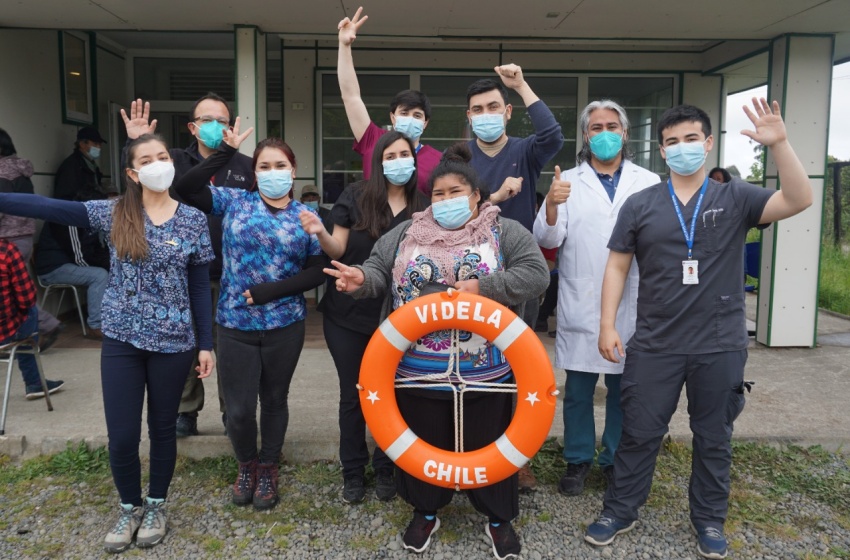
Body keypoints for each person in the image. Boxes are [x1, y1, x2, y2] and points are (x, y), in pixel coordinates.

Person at [585, 99, 812, 560]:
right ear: (661, 151)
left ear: (707, 144)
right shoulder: (641, 204)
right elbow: (616, 267)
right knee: (640, 431)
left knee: (714, 436)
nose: (682, 148)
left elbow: (798, 199)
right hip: (655, 342)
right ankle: (620, 509)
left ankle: (709, 519)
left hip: (719, 342)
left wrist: (781, 144)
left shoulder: (736, 197)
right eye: (672, 142)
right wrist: (607, 324)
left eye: (691, 139)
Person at [325, 143, 549, 559]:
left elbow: (537, 274)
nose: (445, 200)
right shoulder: (407, 232)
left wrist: (484, 289)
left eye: (456, 191)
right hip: (416, 370)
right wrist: (360, 278)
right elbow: (376, 269)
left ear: (477, 195)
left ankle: (498, 518)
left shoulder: (503, 232)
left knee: (489, 441)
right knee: (423, 439)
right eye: (438, 193)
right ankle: (425, 511)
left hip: (486, 371)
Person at [0, 133, 215, 553]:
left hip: (174, 342)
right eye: (147, 159)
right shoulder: (114, 212)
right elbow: (46, 207)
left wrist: (205, 344)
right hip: (122, 340)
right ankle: (128, 506)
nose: (159, 164)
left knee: (163, 430)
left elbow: (199, 286)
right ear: (133, 173)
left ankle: (156, 505)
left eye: (163, 156)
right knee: (121, 435)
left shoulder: (192, 219)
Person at [174, 123, 325, 512]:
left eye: (280, 165)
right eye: (263, 166)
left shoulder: (306, 216)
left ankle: (269, 468)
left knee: (274, 400)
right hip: (234, 324)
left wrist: (269, 291)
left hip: (284, 324)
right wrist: (224, 152)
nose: (272, 172)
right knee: (239, 409)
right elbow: (185, 189)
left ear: (293, 171)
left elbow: (315, 270)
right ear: (254, 172)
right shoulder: (236, 202)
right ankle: (246, 465)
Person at [533, 100, 660, 497]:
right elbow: (547, 239)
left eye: (611, 126)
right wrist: (552, 204)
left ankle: (614, 460)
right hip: (583, 298)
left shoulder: (649, 182)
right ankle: (578, 459)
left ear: (625, 132)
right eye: (595, 127)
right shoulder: (567, 181)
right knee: (578, 390)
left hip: (636, 299)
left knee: (626, 389)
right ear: (586, 136)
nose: (604, 133)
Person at [300, 130, 427, 504]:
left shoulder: (425, 204)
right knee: (354, 394)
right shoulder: (356, 196)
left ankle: (386, 464)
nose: (399, 161)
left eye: (406, 153)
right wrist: (321, 232)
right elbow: (337, 247)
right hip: (348, 315)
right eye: (391, 155)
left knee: (393, 393)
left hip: (401, 318)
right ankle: (353, 471)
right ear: (379, 161)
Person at [122, 94, 254, 438]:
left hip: (232, 274)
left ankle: (232, 412)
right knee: (182, 343)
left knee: (228, 348)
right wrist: (137, 142)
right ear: (193, 127)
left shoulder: (246, 166)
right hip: (179, 272)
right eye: (208, 120)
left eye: (223, 120)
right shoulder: (174, 160)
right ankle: (185, 411)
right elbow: (141, 181)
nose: (217, 127)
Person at [465, 65, 563, 490]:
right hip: (469, 278)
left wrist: (521, 85)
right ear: (467, 117)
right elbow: (446, 207)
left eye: (492, 107)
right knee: (471, 364)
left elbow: (554, 137)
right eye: (476, 110)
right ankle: (471, 447)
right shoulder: (459, 157)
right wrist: (494, 197)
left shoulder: (525, 150)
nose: (484, 115)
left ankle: (517, 457)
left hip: (518, 278)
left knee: (517, 369)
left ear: (506, 112)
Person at [337, 7, 443, 194]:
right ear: (393, 118)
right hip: (373, 222)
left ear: (425, 123)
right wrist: (344, 46)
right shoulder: (373, 140)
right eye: (404, 113)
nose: (410, 118)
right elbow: (351, 96)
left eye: (417, 115)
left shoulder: (439, 160)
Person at [0, 127, 63, 349]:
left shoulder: (1, 172)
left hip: (6, 241)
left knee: (13, 295)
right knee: (19, 292)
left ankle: (43, 327)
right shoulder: (20, 169)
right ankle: (34, 333)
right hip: (24, 237)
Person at [0, 239, 64, 399]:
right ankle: (34, 382)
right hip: (5, 332)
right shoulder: (6, 250)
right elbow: (26, 298)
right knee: (30, 313)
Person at [34, 208, 110, 340]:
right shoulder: (68, 220)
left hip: (67, 265)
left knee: (106, 273)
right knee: (100, 276)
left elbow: (93, 250)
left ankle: (109, 322)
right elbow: (78, 256)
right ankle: (95, 326)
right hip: (53, 269)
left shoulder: (87, 220)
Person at [54, 126, 108, 202]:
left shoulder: (92, 165)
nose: (99, 147)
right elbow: (65, 196)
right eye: (95, 144)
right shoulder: (72, 165)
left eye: (100, 144)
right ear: (82, 144)